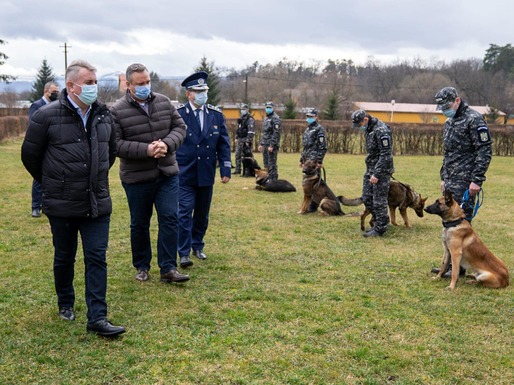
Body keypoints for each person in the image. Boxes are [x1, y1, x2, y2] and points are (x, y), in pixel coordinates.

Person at [21, 59, 125, 337]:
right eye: (89, 82)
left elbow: (110, 152)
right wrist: (55, 182)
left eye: (95, 82)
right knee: (65, 256)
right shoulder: (46, 116)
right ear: (71, 85)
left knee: (96, 257)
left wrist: (95, 178)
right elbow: (30, 156)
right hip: (62, 202)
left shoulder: (104, 115)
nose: (94, 87)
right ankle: (65, 301)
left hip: (97, 201)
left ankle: (98, 317)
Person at [111, 63, 189, 284]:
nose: (146, 86)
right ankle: (142, 265)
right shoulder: (117, 110)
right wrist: (146, 150)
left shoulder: (164, 102)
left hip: (166, 173)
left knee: (170, 218)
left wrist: (166, 144)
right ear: (128, 85)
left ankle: (168, 267)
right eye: (140, 83)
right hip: (137, 177)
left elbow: (180, 128)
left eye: (148, 82)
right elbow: (115, 144)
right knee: (139, 223)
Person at [431, 86, 492, 277]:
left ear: (457, 100)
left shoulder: (474, 120)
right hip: (450, 180)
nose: (444, 110)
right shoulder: (449, 122)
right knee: (449, 224)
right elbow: (448, 153)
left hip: (466, 181)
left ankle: (459, 267)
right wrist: (443, 176)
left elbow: (484, 151)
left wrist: (477, 180)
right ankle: (449, 264)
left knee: (461, 224)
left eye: (446, 105)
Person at [176, 71, 231, 267]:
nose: (202, 94)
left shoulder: (215, 115)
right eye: (198, 91)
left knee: (201, 213)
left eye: (204, 90)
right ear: (188, 94)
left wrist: (225, 170)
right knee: (184, 212)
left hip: (206, 172)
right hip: (184, 171)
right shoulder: (179, 114)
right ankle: (183, 251)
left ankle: (197, 245)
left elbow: (223, 144)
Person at [351, 109, 394, 237]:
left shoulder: (381, 130)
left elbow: (386, 155)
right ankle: (380, 220)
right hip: (370, 168)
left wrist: (377, 174)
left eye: (359, 124)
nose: (359, 128)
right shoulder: (369, 128)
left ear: (365, 119)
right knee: (367, 197)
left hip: (381, 170)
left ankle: (380, 228)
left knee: (379, 200)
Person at [28, 81, 60, 218]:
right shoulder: (36, 106)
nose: (56, 94)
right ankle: (36, 206)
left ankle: (49, 205)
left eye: (57, 91)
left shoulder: (57, 106)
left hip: (54, 147)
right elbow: (34, 125)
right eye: (53, 92)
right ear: (46, 91)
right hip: (42, 147)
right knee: (39, 179)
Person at [299, 108, 327, 212]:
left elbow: (322, 146)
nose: (309, 118)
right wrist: (301, 160)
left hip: (314, 162)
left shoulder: (320, 129)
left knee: (315, 184)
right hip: (306, 161)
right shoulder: (308, 129)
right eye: (308, 116)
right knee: (307, 183)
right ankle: (308, 202)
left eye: (311, 116)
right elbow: (305, 147)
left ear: (316, 117)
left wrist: (319, 161)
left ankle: (314, 205)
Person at [258, 101, 281, 180]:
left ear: (273, 108)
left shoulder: (276, 118)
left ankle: (273, 179)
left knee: (272, 163)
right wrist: (261, 143)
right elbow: (264, 132)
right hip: (265, 143)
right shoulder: (266, 118)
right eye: (267, 107)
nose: (268, 109)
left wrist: (272, 145)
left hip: (271, 145)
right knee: (266, 163)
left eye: (269, 107)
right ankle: (267, 178)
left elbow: (276, 133)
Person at [234, 103, 255, 176]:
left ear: (247, 109)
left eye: (244, 109)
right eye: (241, 109)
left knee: (246, 156)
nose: (242, 111)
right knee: (237, 154)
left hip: (246, 139)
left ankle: (247, 171)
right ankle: (237, 169)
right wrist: (236, 137)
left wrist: (248, 140)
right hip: (240, 138)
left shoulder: (250, 119)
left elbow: (251, 131)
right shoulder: (241, 118)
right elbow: (239, 129)